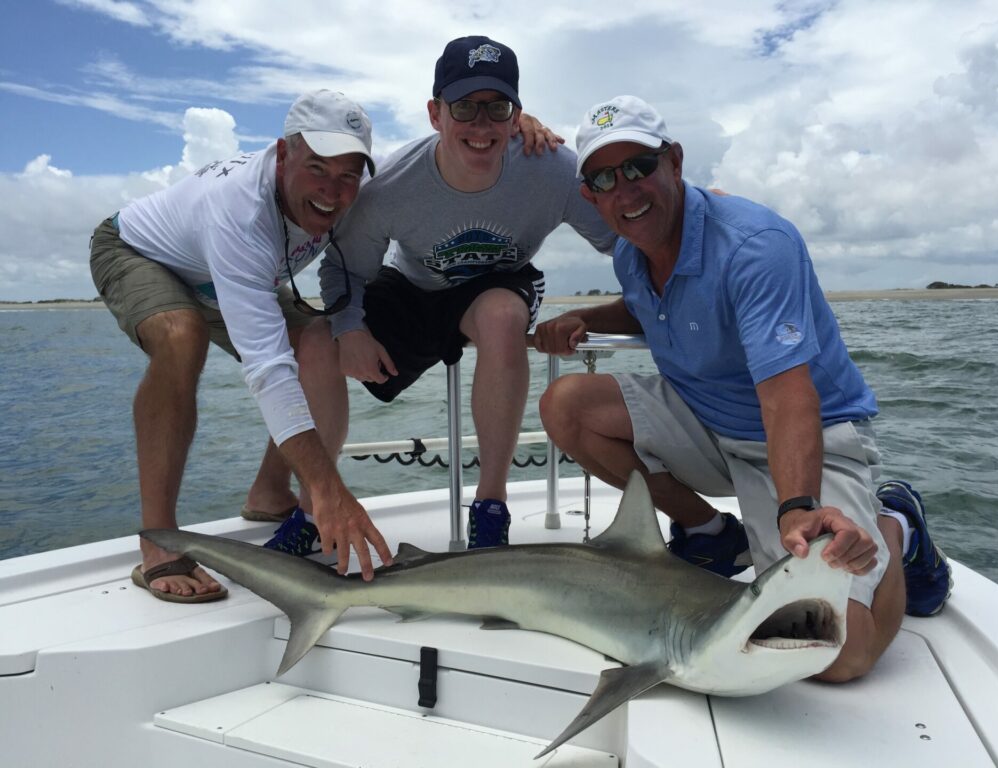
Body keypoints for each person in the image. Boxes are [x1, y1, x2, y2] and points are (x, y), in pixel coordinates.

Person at [533, 95, 951, 682]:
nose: (625, 190)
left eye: (638, 167)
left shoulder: (755, 245)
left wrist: (798, 507)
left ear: (674, 162)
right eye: (605, 176)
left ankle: (895, 525)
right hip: (706, 422)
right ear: (590, 196)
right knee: (567, 406)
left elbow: (787, 395)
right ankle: (711, 534)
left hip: (804, 435)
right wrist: (587, 321)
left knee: (840, 655)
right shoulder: (631, 252)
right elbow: (647, 305)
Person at [89, 90, 395, 602]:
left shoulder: (358, 189)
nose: (332, 191)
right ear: (282, 154)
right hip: (139, 251)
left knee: (319, 340)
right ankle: (159, 541)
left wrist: (518, 128)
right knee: (181, 336)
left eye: (348, 176)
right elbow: (268, 370)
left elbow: (432, 164)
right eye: (317, 168)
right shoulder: (238, 210)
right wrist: (329, 488)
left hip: (230, 275)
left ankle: (270, 493)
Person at [319, 36, 616, 548]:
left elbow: (626, 235)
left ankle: (491, 506)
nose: (481, 126)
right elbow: (343, 271)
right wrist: (349, 329)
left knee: (502, 317)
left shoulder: (554, 169)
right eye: (464, 108)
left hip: (498, 284)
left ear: (516, 114)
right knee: (314, 344)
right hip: (414, 288)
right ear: (435, 114)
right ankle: (313, 504)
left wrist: (694, 209)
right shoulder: (389, 184)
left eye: (496, 108)